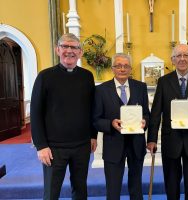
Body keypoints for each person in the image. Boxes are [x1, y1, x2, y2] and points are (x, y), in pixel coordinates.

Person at [30, 33, 97, 200]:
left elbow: (92, 108)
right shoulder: (45, 76)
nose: (69, 50)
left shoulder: (87, 76)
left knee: (80, 190)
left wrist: (93, 135)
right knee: (52, 193)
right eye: (65, 46)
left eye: (74, 47)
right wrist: (41, 145)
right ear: (57, 50)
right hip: (54, 148)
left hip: (82, 145)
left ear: (80, 52)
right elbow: (36, 112)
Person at [147, 44, 188, 200]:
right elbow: (156, 113)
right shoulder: (163, 82)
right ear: (172, 59)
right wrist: (152, 139)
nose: (182, 59)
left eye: (185, 55)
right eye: (178, 56)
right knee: (171, 183)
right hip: (171, 140)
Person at [93, 53, 150, 200]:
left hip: (136, 144)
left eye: (126, 66)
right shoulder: (101, 90)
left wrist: (144, 121)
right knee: (113, 188)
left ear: (130, 68)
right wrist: (110, 124)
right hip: (113, 144)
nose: (122, 69)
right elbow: (96, 119)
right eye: (118, 66)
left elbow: (147, 114)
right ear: (112, 68)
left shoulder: (141, 87)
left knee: (136, 187)